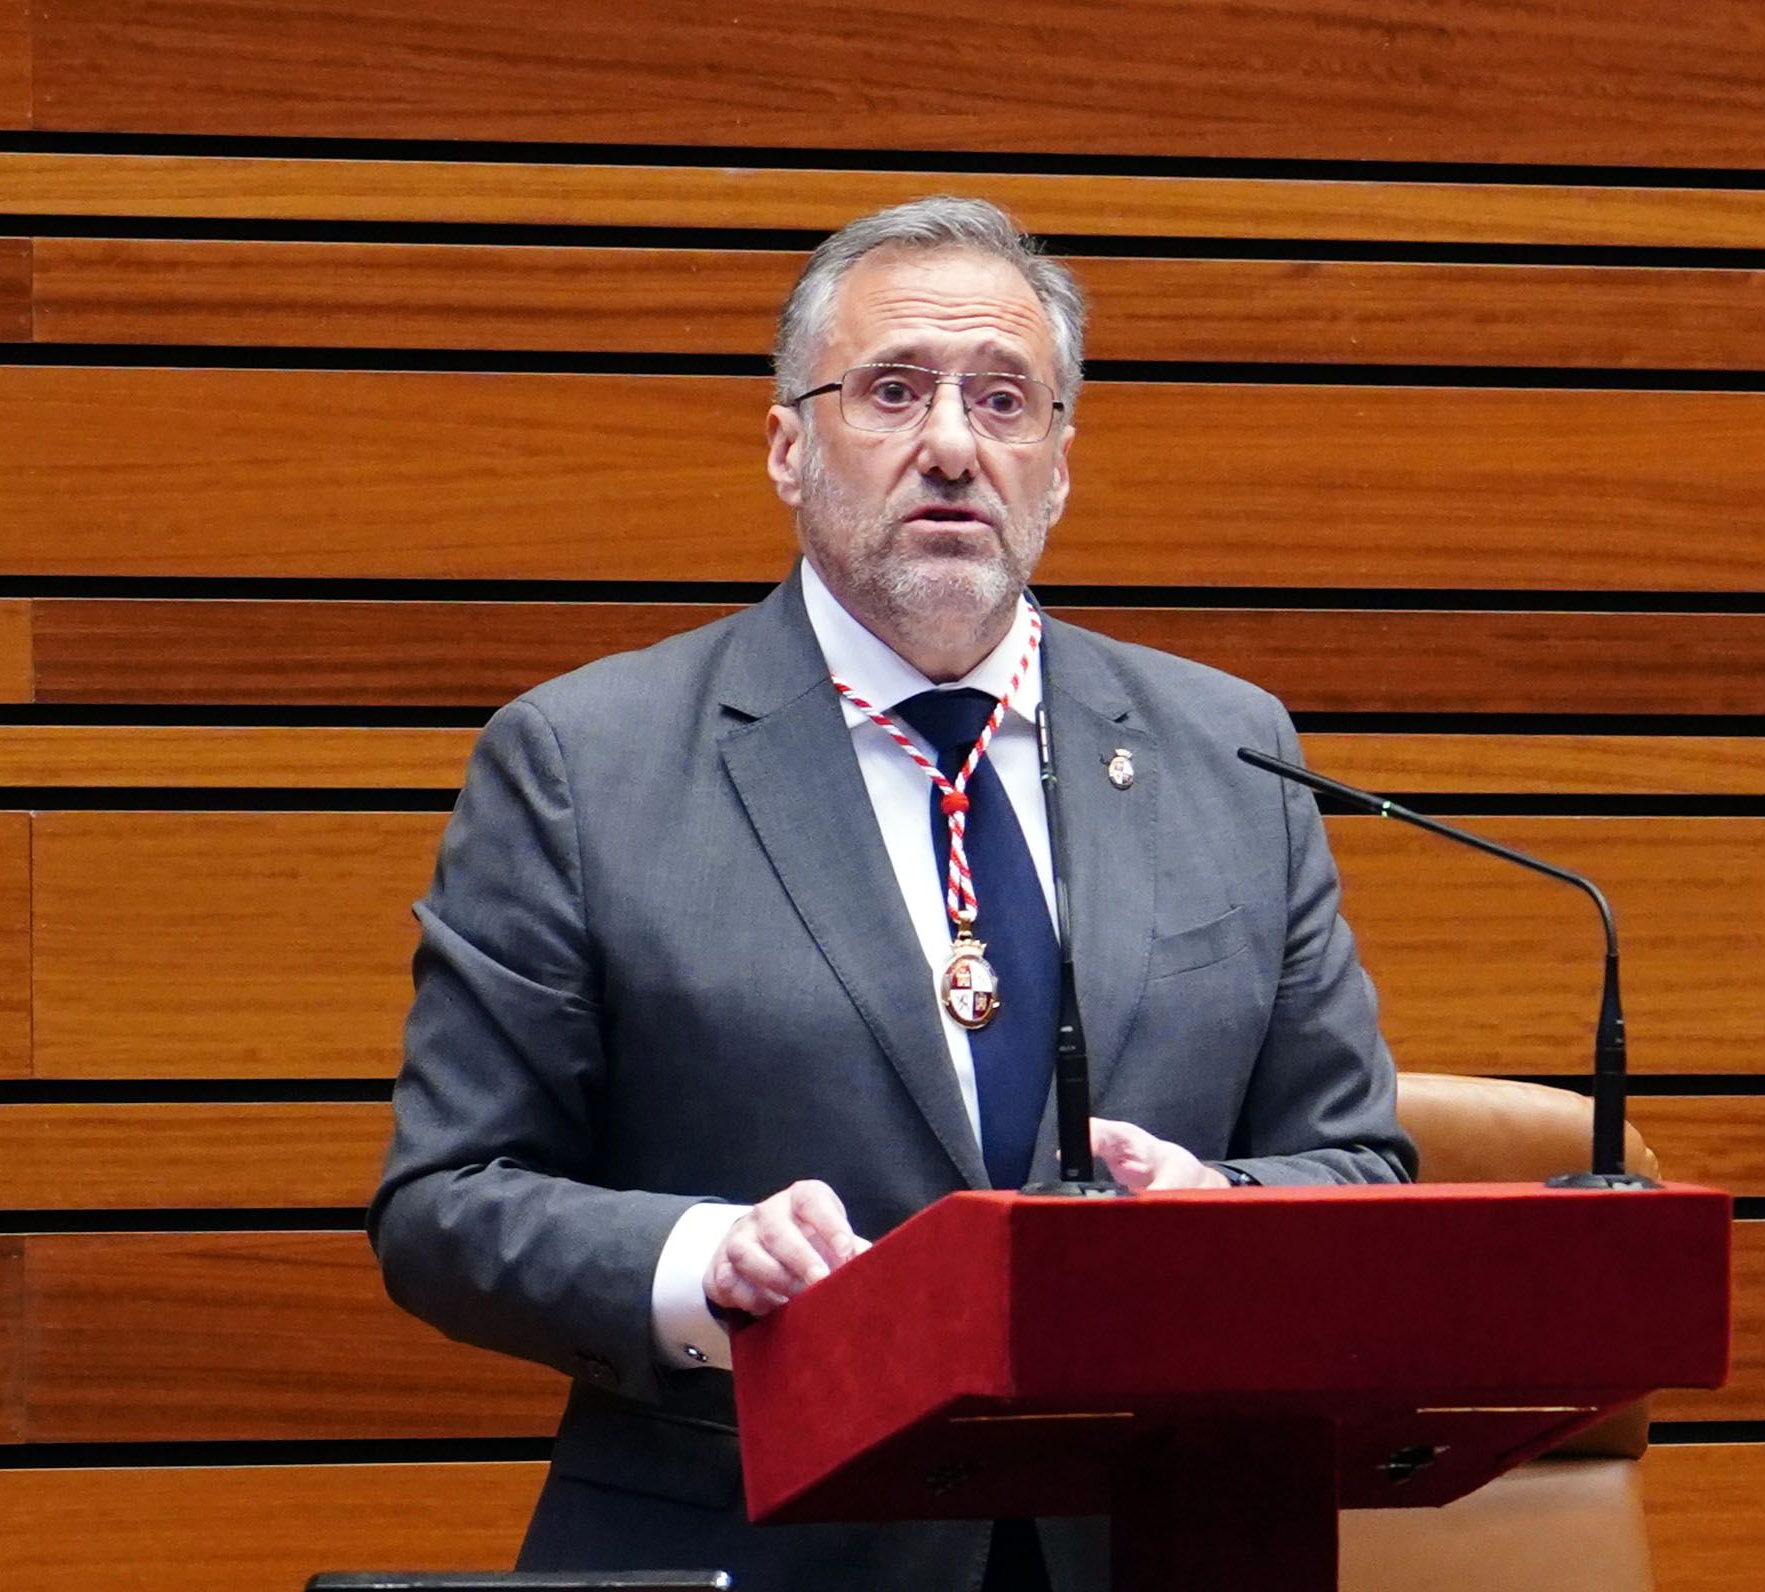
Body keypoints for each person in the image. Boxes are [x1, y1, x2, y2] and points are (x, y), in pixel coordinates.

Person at [370, 197, 1414, 1591]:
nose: (952, 446)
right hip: (767, 1541)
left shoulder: (1228, 751)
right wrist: (708, 1258)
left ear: (1057, 468)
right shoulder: (582, 764)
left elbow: (1359, 1164)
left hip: (1160, 1536)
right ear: (790, 445)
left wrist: (1219, 1207)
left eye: (1004, 402)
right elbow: (448, 1203)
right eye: (894, 392)